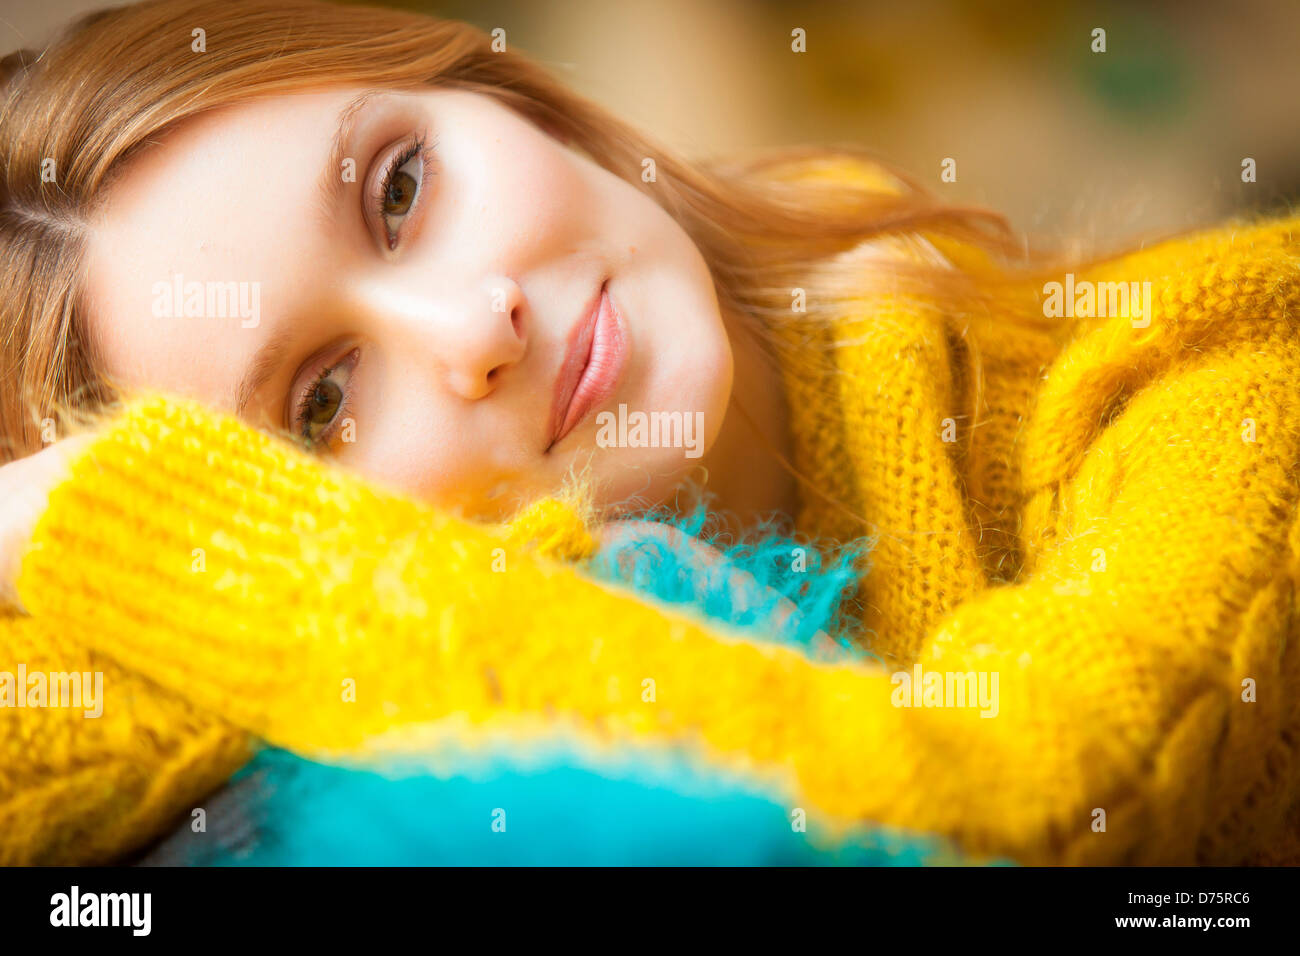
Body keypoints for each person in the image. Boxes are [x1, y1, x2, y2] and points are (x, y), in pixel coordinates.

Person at [2, 0, 1298, 866]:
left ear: (522, 107)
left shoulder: (1214, 367)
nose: (475, 326)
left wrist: (125, 524)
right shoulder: (379, 622)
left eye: (401, 189)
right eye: (323, 404)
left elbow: (1005, 807)